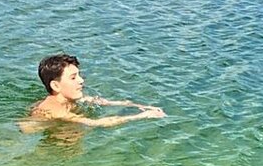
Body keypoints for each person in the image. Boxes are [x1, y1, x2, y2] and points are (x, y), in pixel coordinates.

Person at [27, 53, 165, 128]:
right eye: (73, 78)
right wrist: (142, 116)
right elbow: (98, 123)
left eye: (79, 75)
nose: (81, 80)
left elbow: (101, 101)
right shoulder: (56, 110)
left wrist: (139, 106)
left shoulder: (68, 99)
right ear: (56, 86)